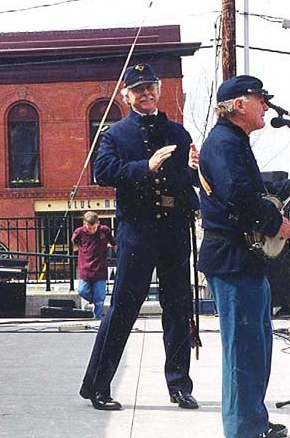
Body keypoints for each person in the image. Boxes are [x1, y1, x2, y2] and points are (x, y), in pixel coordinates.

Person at [197, 75, 290, 438]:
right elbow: (238, 196)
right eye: (260, 100)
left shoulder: (235, 142)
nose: (266, 106)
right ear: (239, 104)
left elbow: (260, 189)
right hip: (232, 259)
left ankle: (252, 420)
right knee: (243, 350)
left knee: (256, 348)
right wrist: (275, 223)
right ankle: (242, 429)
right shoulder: (223, 144)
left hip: (245, 260)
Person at [79, 62, 200, 411]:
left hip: (174, 229)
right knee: (122, 310)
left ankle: (179, 385)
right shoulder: (115, 135)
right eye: (138, 89)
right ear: (126, 95)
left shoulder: (177, 132)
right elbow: (103, 171)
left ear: (158, 90)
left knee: (178, 308)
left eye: (151, 87)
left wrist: (194, 169)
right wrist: (144, 167)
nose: (146, 93)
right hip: (137, 230)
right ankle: (98, 385)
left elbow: (190, 179)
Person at [71, 211, 116, 319]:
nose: (92, 230)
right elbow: (74, 244)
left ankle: (97, 317)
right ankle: (93, 300)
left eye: (94, 228)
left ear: (98, 223)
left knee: (100, 297)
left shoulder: (104, 231)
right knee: (82, 290)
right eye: (89, 228)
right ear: (84, 223)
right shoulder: (79, 232)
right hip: (85, 268)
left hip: (100, 268)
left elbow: (114, 242)